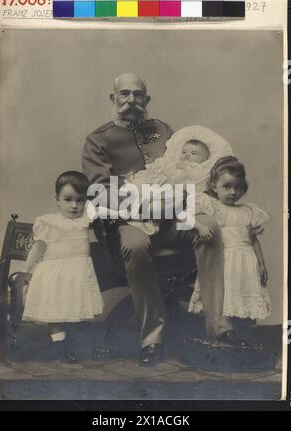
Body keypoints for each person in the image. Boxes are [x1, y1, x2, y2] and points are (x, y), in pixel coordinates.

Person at [82, 72, 241, 367]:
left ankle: (216, 321)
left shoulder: (163, 130)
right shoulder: (99, 140)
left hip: (173, 217)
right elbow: (100, 193)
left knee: (211, 226)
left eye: (138, 95)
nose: (131, 100)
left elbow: (188, 168)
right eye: (125, 94)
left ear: (147, 99)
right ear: (113, 98)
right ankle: (151, 336)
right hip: (127, 220)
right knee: (137, 244)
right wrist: (148, 205)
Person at [20, 171, 104, 363]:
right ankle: (59, 348)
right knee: (57, 315)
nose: (74, 205)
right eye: (68, 199)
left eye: (80, 200)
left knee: (72, 311)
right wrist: (27, 269)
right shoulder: (49, 222)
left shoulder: (86, 219)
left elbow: (103, 208)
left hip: (78, 274)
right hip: (56, 274)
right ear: (57, 200)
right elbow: (39, 246)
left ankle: (69, 345)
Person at [189, 157, 272, 344]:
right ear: (214, 186)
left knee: (245, 293)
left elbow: (253, 240)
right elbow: (183, 215)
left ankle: (245, 333)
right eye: (226, 186)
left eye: (238, 187)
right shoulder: (214, 207)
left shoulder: (248, 211)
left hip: (246, 261)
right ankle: (225, 331)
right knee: (226, 295)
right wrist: (199, 226)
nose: (233, 192)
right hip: (225, 260)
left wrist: (261, 263)